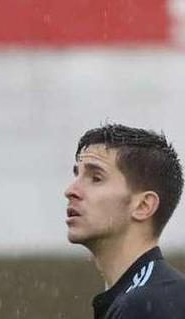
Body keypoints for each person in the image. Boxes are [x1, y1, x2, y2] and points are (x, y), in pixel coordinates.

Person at [65, 123, 185, 318]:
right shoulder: (151, 295)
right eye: (77, 175)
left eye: (96, 178)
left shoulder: (147, 305)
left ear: (143, 206)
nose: (70, 190)